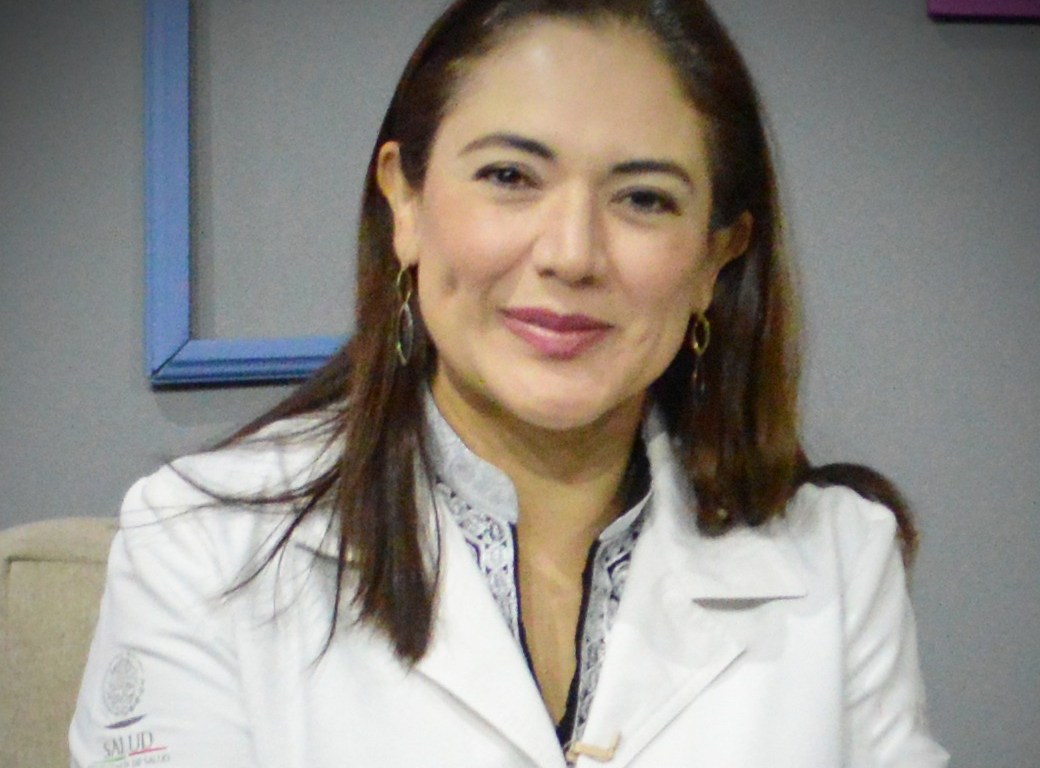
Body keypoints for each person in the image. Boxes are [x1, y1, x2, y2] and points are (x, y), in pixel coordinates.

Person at [70, 0, 949, 765]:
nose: (571, 253)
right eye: (510, 177)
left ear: (717, 256)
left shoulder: (840, 559)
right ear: (405, 203)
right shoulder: (198, 545)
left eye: (644, 198)